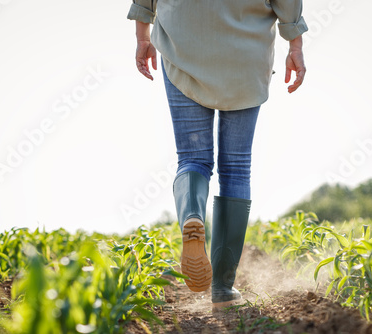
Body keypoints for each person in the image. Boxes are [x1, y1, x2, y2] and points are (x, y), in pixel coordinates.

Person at [127, 0, 308, 311]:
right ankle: (223, 288)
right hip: (244, 49)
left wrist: (142, 35)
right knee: (236, 169)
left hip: (184, 41)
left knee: (192, 159)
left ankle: (193, 216)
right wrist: (295, 42)